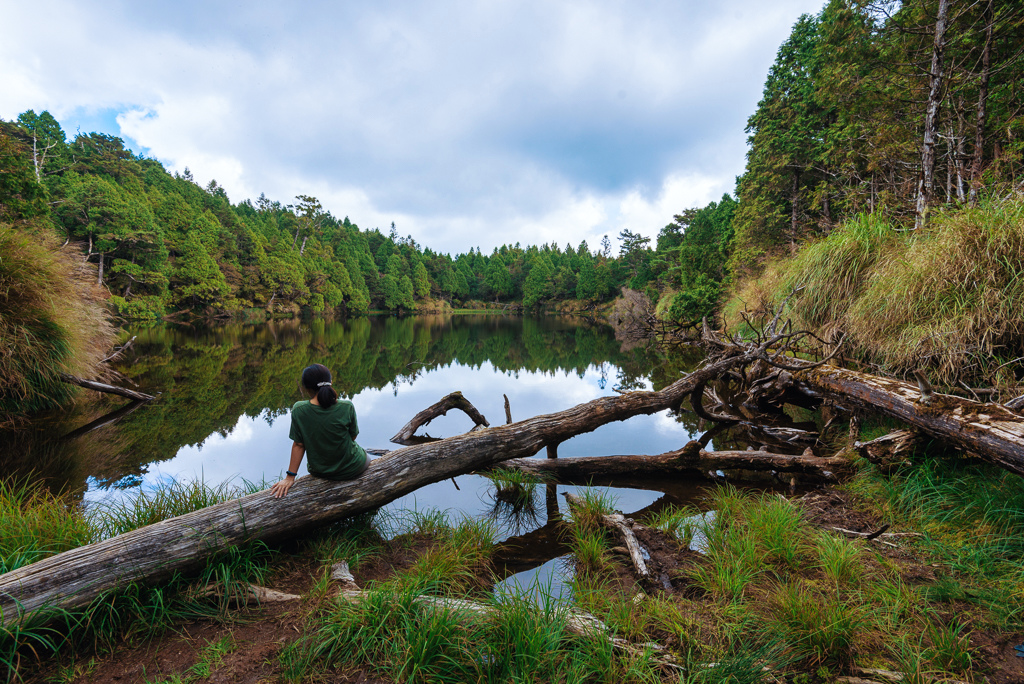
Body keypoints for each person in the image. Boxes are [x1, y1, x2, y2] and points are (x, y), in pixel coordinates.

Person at [270, 363, 369, 498]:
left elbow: (299, 445)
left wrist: (290, 477)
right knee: (364, 454)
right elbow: (353, 437)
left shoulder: (299, 410)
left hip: (322, 472)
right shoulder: (347, 406)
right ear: (331, 383)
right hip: (353, 467)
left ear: (306, 388)